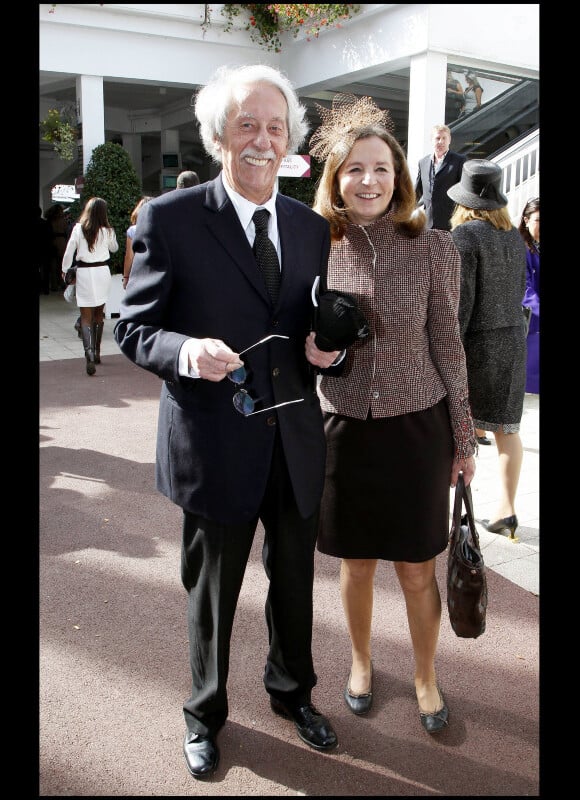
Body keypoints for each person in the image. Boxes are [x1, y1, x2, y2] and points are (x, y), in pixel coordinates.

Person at [114, 63, 341, 780]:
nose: (262, 140)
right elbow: (133, 326)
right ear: (217, 136)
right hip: (215, 441)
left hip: (295, 440)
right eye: (247, 124)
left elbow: (309, 325)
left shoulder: (309, 227)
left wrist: (325, 349)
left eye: (276, 127)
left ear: (291, 143)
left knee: (296, 581)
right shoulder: (171, 219)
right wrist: (185, 351)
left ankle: (292, 692)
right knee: (212, 593)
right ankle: (204, 712)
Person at [309, 94, 476, 735]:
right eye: (354, 168)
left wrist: (463, 438)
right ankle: (359, 661)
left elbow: (448, 347)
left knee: (416, 567)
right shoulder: (316, 245)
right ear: (336, 179)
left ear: (399, 177)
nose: (368, 180)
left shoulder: (432, 249)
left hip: (417, 430)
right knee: (355, 562)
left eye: (380, 168)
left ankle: (426, 675)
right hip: (346, 428)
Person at [448, 160, 527, 541]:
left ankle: (446, 510)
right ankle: (508, 511)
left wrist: (448, 347)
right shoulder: (513, 234)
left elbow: (461, 303)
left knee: (459, 425)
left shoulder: (465, 236)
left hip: (478, 345)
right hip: (513, 339)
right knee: (506, 430)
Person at [61, 197, 119, 376]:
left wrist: (64, 271)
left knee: (85, 317)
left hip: (84, 274)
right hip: (102, 272)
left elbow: (69, 251)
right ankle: (98, 351)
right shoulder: (107, 230)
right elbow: (115, 248)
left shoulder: (78, 229)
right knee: (99, 315)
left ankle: (89, 354)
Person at [415, 124, 466, 231]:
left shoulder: (459, 161)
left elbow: (464, 191)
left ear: (449, 140)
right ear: (432, 140)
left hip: (450, 224)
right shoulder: (423, 162)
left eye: (444, 138)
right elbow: (417, 192)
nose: (441, 141)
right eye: (437, 138)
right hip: (428, 224)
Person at [518, 197, 540, 394]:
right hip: (532, 321)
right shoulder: (521, 248)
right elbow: (524, 288)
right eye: (538, 220)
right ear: (526, 220)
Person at [122, 196, 153, 289]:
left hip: (138, 273)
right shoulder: (162, 229)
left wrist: (126, 277)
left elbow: (129, 256)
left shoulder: (133, 230)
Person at [45, 203, 69, 291]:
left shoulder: (50, 220)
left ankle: (54, 285)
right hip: (62, 241)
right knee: (62, 265)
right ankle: (62, 283)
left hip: (53, 241)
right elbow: (66, 230)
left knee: (53, 265)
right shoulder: (63, 220)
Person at [38, 206, 53, 295]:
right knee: (45, 269)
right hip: (45, 249)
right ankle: (46, 288)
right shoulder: (46, 223)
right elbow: (50, 236)